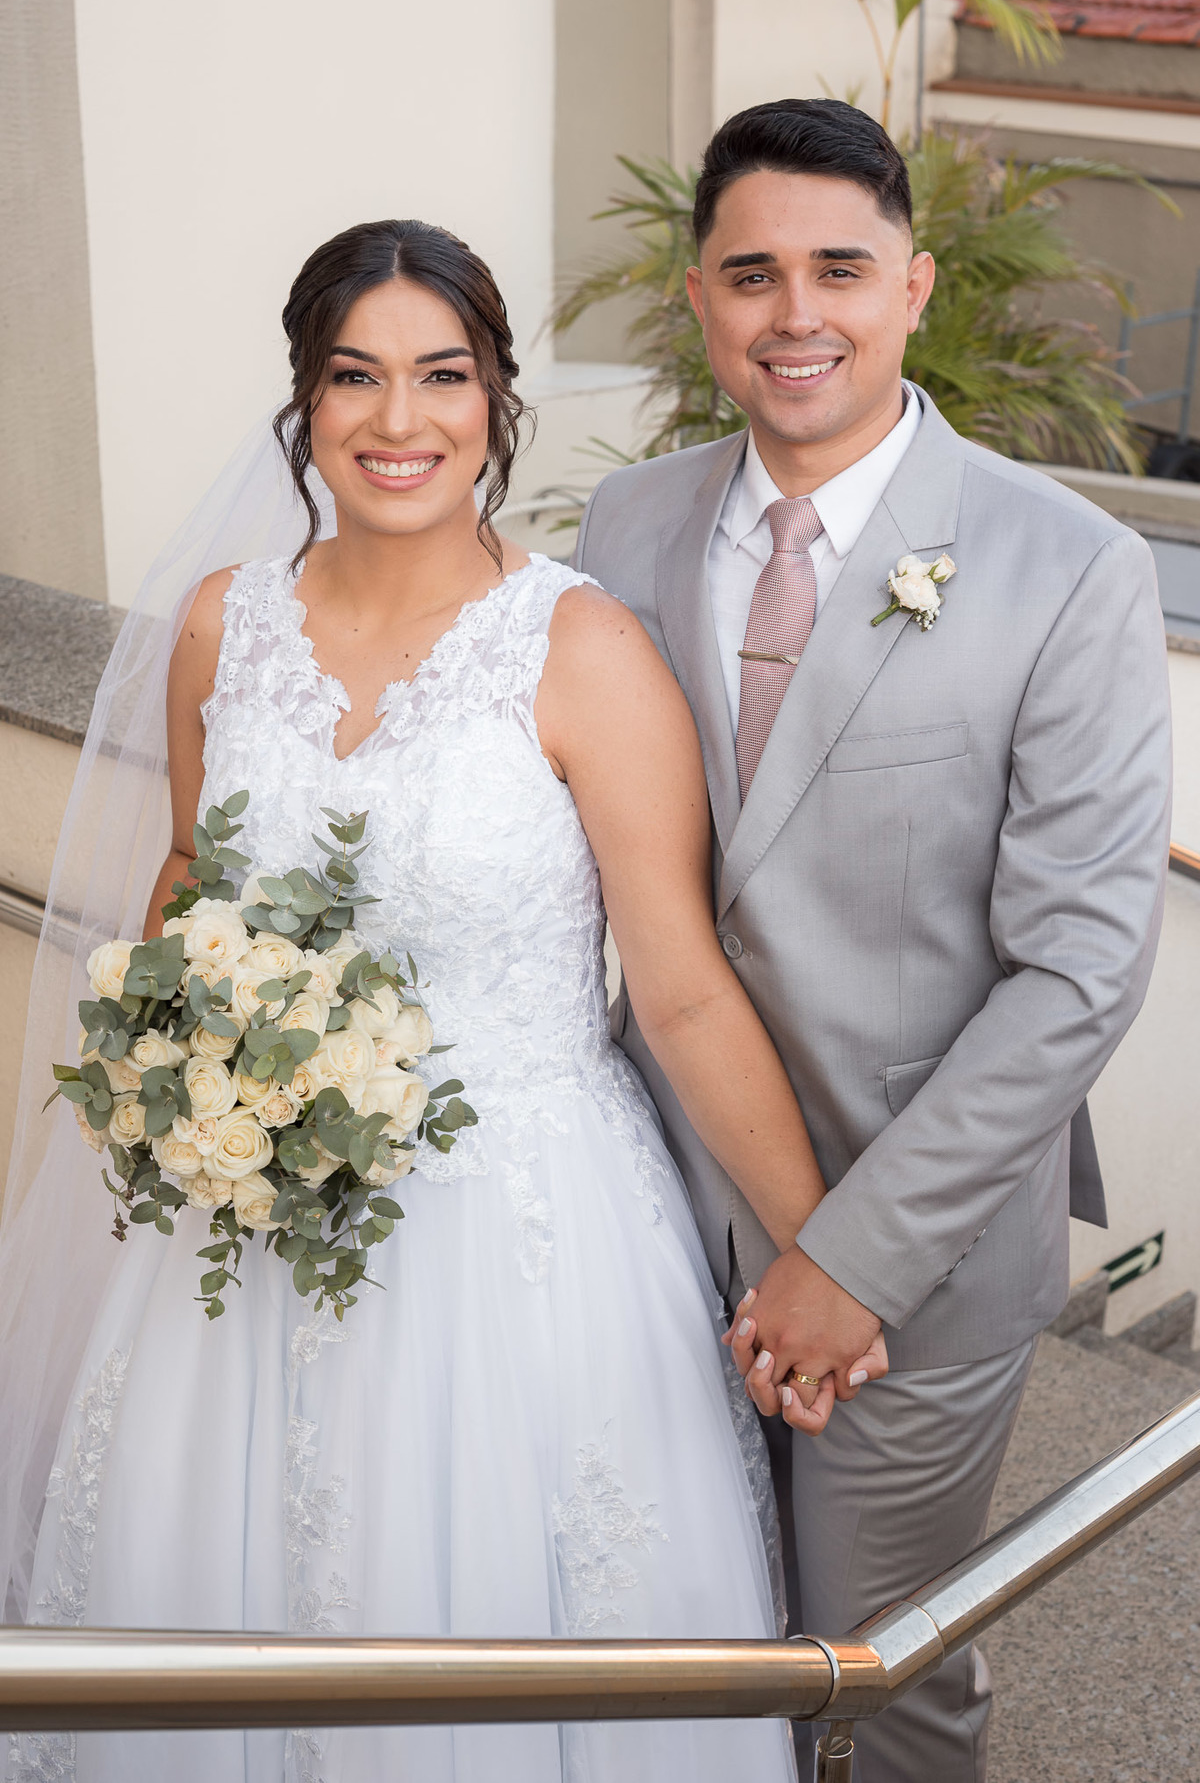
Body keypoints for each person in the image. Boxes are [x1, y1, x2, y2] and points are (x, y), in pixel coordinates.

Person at [1, 216, 890, 1783]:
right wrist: (168, 1084)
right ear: (302, 399)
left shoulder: (580, 648)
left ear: (495, 401)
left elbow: (678, 988)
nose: (396, 422)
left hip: (523, 1242)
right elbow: (188, 895)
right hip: (247, 1236)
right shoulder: (224, 624)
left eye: (441, 376)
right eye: (354, 376)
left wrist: (830, 1248)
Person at [574, 99, 1172, 1780]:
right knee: (687, 1647)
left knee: (878, 1676)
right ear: (698, 298)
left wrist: (850, 1260)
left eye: (839, 267)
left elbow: (1077, 972)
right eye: (751, 273)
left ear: (911, 287)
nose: (796, 311)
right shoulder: (625, 527)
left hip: (919, 1257)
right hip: (649, 1212)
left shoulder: (1072, 568)